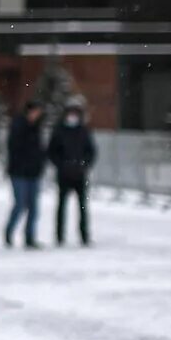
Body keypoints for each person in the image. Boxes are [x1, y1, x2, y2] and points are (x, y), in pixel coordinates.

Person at [49, 98, 98, 247]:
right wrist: (61, 165)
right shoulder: (59, 130)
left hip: (80, 175)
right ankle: (59, 236)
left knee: (83, 207)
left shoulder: (83, 131)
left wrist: (84, 165)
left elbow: (91, 151)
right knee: (61, 206)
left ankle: (84, 235)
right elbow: (52, 151)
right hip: (64, 175)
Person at [4, 100, 47, 249]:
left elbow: (39, 150)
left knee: (34, 207)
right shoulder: (18, 126)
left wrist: (39, 164)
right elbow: (15, 149)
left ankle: (30, 237)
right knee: (20, 204)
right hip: (19, 173)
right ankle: (9, 232)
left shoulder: (36, 128)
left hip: (33, 173)